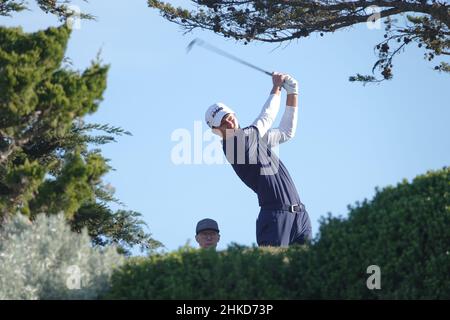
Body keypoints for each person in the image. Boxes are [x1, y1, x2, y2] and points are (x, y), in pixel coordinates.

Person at [204, 72, 312, 247]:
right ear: (216, 130)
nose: (229, 122)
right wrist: (276, 87)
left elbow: (286, 132)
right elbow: (265, 119)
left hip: (300, 215)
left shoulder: (253, 138)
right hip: (275, 217)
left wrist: (292, 93)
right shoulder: (235, 143)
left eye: (229, 116)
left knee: (307, 271)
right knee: (274, 272)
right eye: (223, 122)